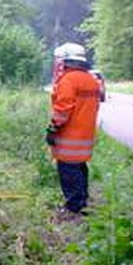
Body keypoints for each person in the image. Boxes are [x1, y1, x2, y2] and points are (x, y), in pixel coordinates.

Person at [46, 43, 101, 219]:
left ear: (67, 61)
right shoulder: (91, 80)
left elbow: (63, 110)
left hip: (69, 136)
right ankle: (82, 201)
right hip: (85, 136)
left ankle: (73, 207)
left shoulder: (68, 80)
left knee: (68, 171)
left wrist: (52, 129)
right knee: (80, 168)